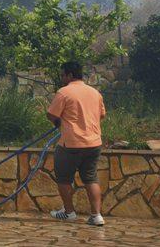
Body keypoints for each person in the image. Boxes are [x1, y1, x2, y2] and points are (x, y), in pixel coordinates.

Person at [46, 61, 106, 226]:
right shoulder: (95, 93)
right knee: (90, 178)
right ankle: (96, 215)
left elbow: (51, 114)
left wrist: (59, 123)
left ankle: (69, 212)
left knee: (64, 179)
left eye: (63, 74)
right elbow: (101, 115)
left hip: (71, 144)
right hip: (94, 144)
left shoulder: (64, 92)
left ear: (70, 75)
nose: (61, 77)